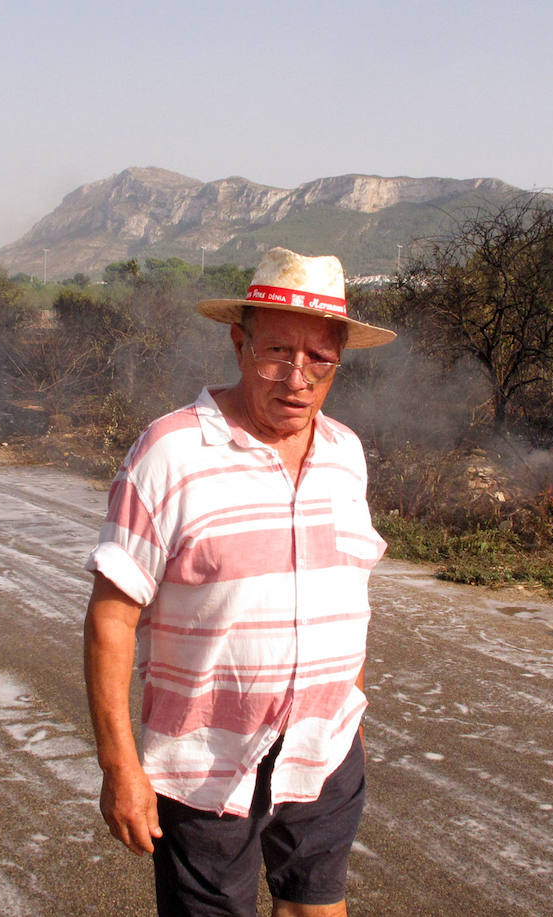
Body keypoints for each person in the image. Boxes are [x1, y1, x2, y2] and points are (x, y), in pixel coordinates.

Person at [83, 247, 396, 916]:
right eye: (277, 352)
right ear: (238, 341)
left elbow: (349, 594)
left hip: (325, 745)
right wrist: (120, 766)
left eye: (320, 359)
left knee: (316, 905)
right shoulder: (169, 452)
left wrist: (353, 711)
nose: (297, 378)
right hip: (206, 759)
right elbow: (112, 614)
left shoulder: (346, 453)